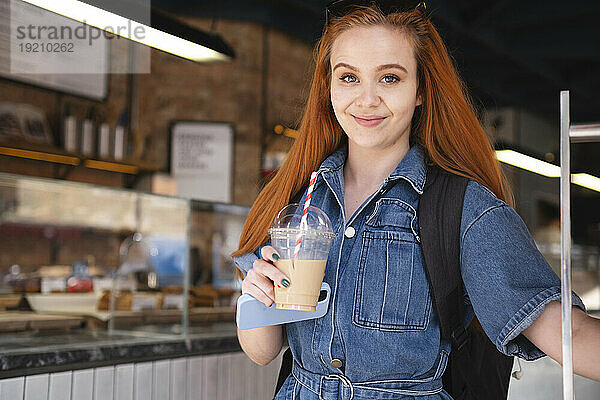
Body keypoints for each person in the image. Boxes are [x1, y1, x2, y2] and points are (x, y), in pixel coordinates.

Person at [231, 2, 600, 399]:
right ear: (329, 87)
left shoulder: (463, 211)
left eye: (389, 78)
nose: (367, 99)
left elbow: (568, 331)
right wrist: (257, 295)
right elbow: (262, 352)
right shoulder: (296, 199)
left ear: (421, 90)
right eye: (349, 78)